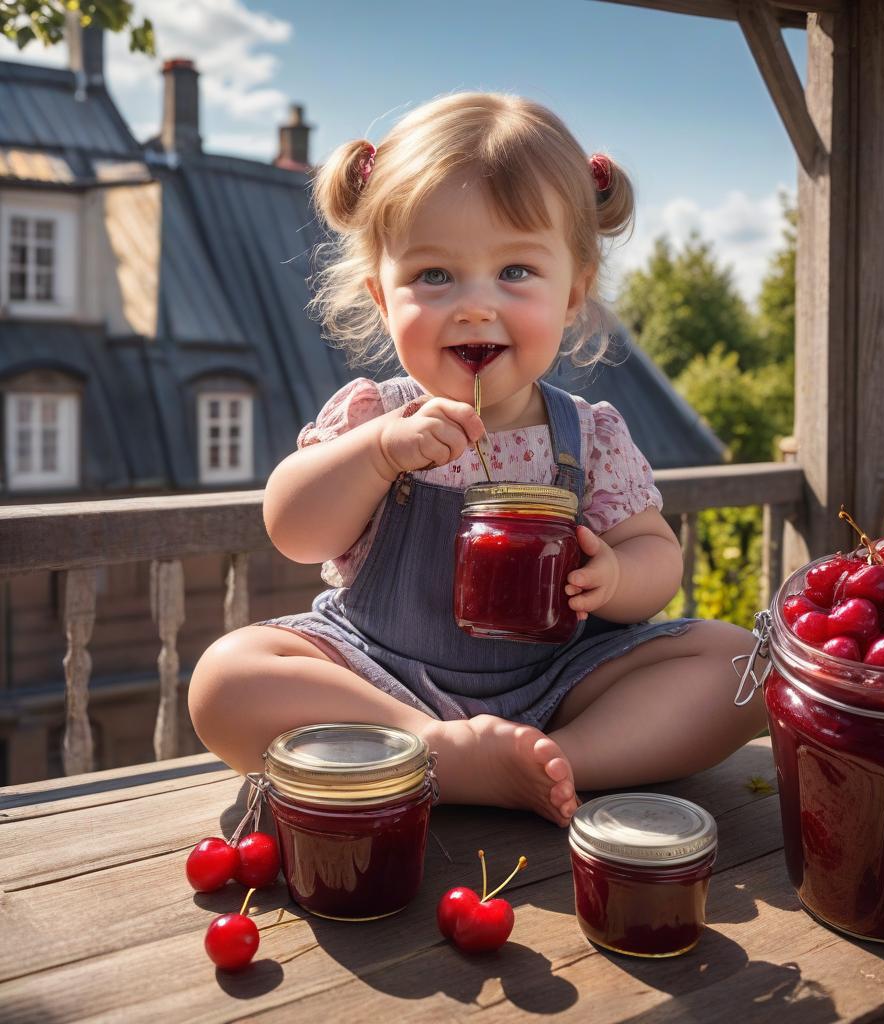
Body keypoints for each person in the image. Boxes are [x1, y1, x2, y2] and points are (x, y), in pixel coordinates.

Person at [188, 92, 766, 827]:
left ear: (572, 296)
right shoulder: (373, 414)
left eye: (516, 271)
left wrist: (616, 575)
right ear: (380, 295)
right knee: (225, 678)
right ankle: (436, 749)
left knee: (741, 665)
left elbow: (655, 557)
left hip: (559, 681)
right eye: (434, 276)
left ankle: (556, 759)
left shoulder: (589, 436)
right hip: (379, 678)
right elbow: (293, 529)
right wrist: (375, 455)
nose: (473, 305)